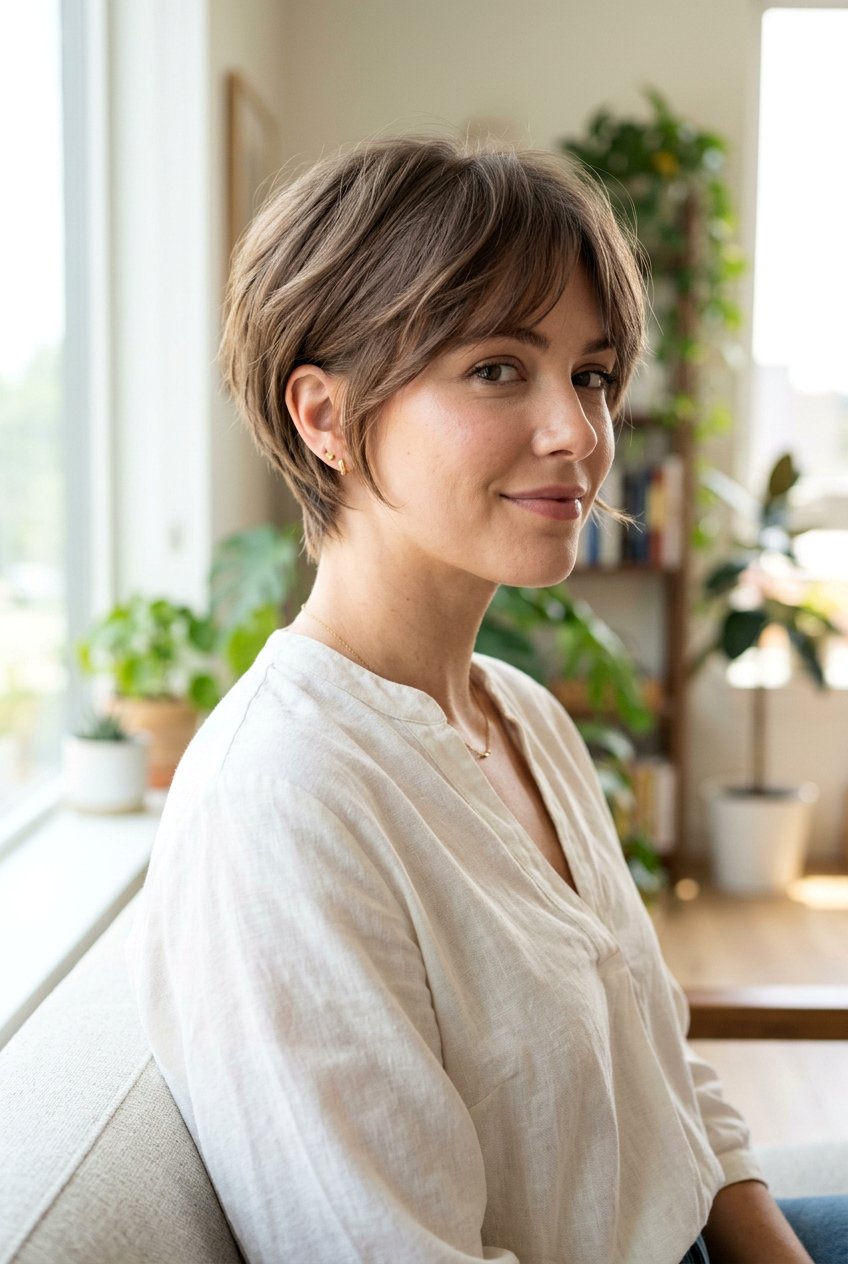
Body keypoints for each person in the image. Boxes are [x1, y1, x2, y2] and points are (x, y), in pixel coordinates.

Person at [127, 137, 834, 1263]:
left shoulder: (522, 713)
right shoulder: (280, 799)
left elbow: (662, 1065)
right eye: (498, 368)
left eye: (590, 374)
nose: (576, 434)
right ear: (321, 414)